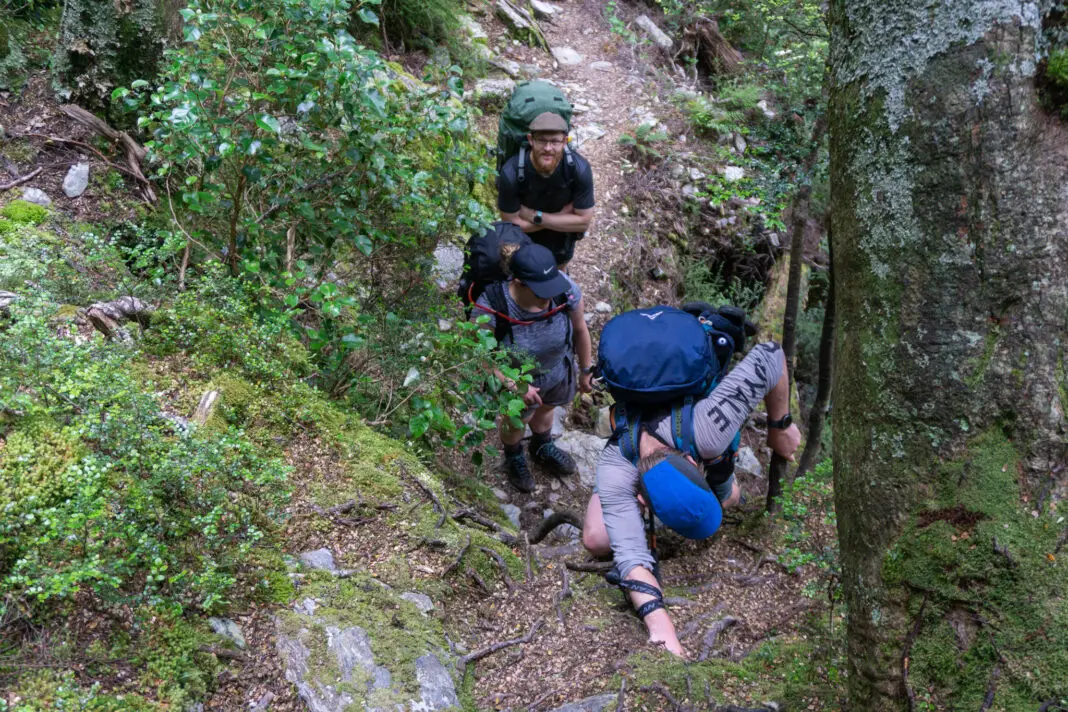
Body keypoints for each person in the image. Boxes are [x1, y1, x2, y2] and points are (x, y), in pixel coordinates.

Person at [581, 341, 802, 656]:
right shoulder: (616, 470)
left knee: (729, 497)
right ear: (641, 500)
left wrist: (780, 426)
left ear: (690, 458)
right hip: (634, 451)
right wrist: (662, 630)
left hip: (702, 435)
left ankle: (726, 492)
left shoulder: (709, 430)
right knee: (598, 538)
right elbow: (631, 559)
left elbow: (771, 354)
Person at [471, 243, 594, 492]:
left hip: (557, 371)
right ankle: (514, 455)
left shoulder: (564, 290)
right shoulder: (492, 307)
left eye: (551, 289)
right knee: (516, 421)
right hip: (517, 382)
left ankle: (541, 445)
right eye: (541, 293)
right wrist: (513, 385)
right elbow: (481, 358)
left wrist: (585, 369)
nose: (548, 298)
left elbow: (580, 329)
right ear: (519, 282)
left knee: (548, 407)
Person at [497, 112, 595, 269]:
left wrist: (535, 216)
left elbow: (583, 222)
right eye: (541, 140)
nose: (548, 148)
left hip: (561, 243)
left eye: (555, 141)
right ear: (531, 140)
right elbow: (511, 225)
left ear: (564, 141)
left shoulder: (579, 169)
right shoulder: (512, 173)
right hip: (522, 243)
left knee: (558, 278)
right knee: (523, 281)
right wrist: (563, 217)